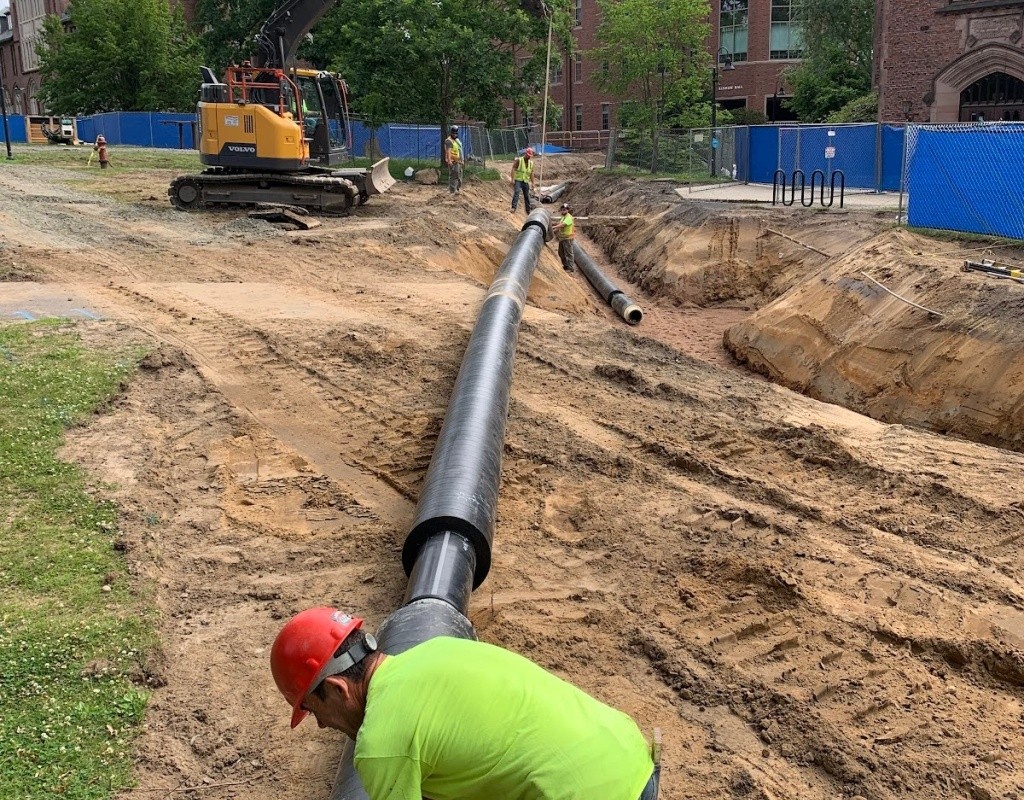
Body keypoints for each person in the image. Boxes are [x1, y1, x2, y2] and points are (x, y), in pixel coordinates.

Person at [271, 607, 659, 800]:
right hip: (631, 759)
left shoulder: (382, 744)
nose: (321, 726)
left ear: (338, 689)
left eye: (313, 709)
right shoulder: (438, 649)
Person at [510, 146, 536, 213]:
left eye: (530, 156)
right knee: (517, 192)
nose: (529, 157)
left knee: (527, 195)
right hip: (518, 180)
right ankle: (513, 207)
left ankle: (528, 210)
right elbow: (513, 168)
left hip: (525, 181)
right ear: (526, 154)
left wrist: (533, 183)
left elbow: (531, 173)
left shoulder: (531, 163)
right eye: (528, 155)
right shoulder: (519, 160)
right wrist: (512, 179)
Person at [553, 202, 576, 272]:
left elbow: (563, 225)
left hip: (568, 238)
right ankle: (566, 265)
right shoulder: (563, 217)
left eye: (564, 210)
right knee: (561, 253)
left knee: (569, 253)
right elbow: (560, 226)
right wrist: (553, 230)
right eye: (562, 209)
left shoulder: (569, 217)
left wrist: (553, 226)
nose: (563, 211)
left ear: (567, 210)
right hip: (562, 238)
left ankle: (570, 267)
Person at [443, 125, 464, 195]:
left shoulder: (457, 141)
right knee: (454, 176)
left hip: (458, 161)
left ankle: (457, 189)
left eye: (456, 133)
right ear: (451, 132)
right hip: (453, 161)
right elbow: (448, 151)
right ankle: (452, 191)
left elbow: (459, 150)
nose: (455, 134)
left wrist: (462, 160)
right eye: (453, 133)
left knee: (459, 176)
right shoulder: (448, 141)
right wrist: (449, 160)